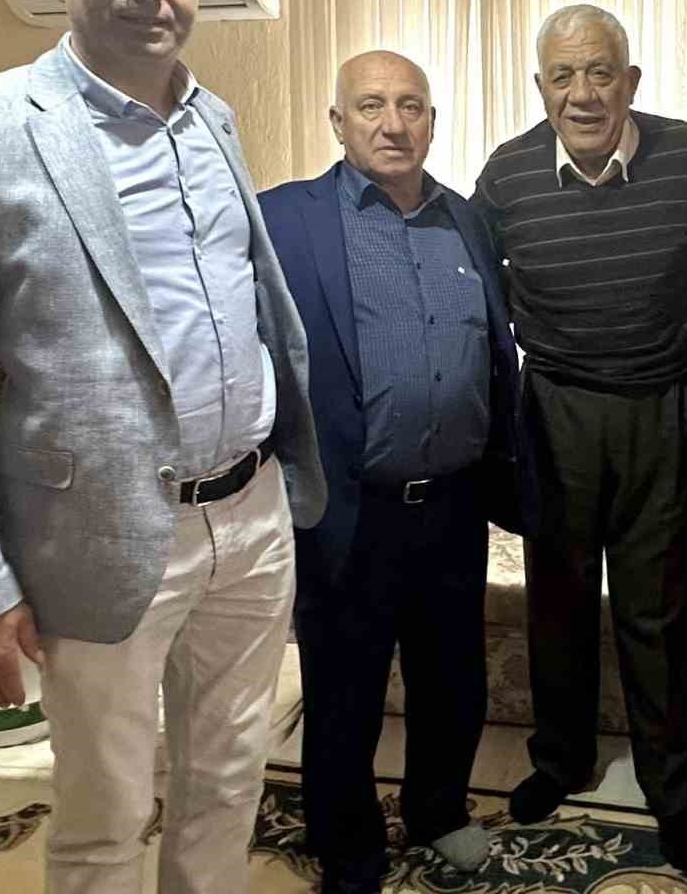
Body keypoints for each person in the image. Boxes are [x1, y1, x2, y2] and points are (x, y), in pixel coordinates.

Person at [0, 0, 326, 894]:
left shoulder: (213, 121)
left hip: (250, 515)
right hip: (101, 535)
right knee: (104, 815)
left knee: (230, 782)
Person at [258, 50, 535, 894]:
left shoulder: (468, 222)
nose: (392, 123)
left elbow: (495, 351)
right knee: (344, 688)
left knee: (452, 679)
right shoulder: (284, 220)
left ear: (432, 122)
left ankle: (439, 811)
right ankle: (348, 845)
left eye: (410, 105)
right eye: (371, 105)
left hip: (453, 503)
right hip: (348, 506)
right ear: (337, 122)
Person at [471, 4, 687, 869]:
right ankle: (560, 761)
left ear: (631, 81)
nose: (583, 93)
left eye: (600, 72)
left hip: (664, 409)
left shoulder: (686, 156)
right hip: (558, 411)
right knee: (560, 601)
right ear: (540, 87)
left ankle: (672, 790)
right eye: (563, 76)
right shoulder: (506, 174)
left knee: (663, 611)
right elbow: (480, 292)